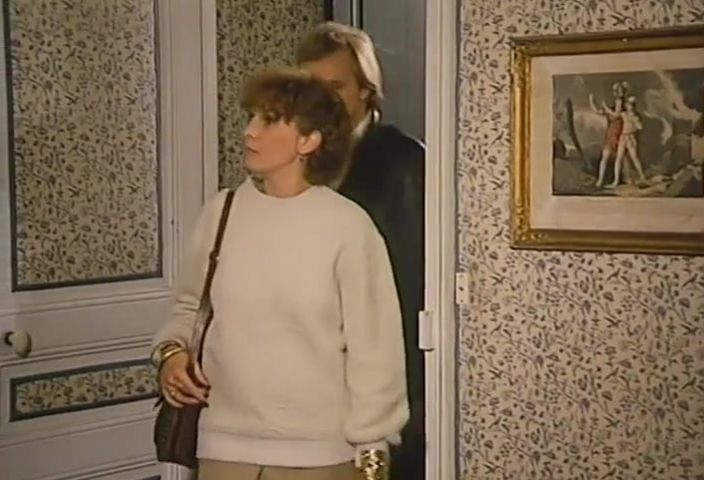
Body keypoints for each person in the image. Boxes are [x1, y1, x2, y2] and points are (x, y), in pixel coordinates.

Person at [151, 68, 409, 480]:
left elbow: (375, 351)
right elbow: (188, 307)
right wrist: (171, 355)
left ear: (309, 141)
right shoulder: (222, 212)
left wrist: (373, 451)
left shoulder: (347, 227)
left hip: (320, 456)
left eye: (268, 120)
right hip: (223, 448)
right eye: (251, 117)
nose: (249, 132)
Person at [296, 22, 426, 480]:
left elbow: (409, 284)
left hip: (380, 367)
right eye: (313, 89)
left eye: (336, 87)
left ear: (366, 90)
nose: (324, 102)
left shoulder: (404, 162)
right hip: (314, 368)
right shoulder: (300, 160)